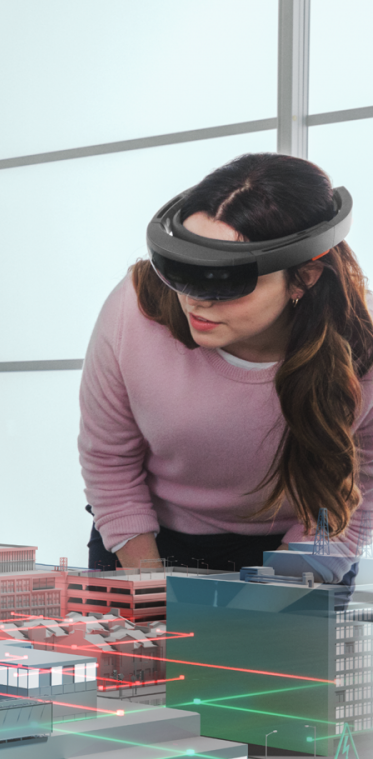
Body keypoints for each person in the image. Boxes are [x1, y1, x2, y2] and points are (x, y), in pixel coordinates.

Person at [79, 153, 373, 572]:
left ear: (304, 278)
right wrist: (149, 593)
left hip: (297, 547)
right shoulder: (134, 310)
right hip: (146, 540)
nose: (195, 299)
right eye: (183, 269)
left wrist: (277, 597)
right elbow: (108, 460)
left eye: (226, 279)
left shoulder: (358, 355)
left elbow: (357, 487)